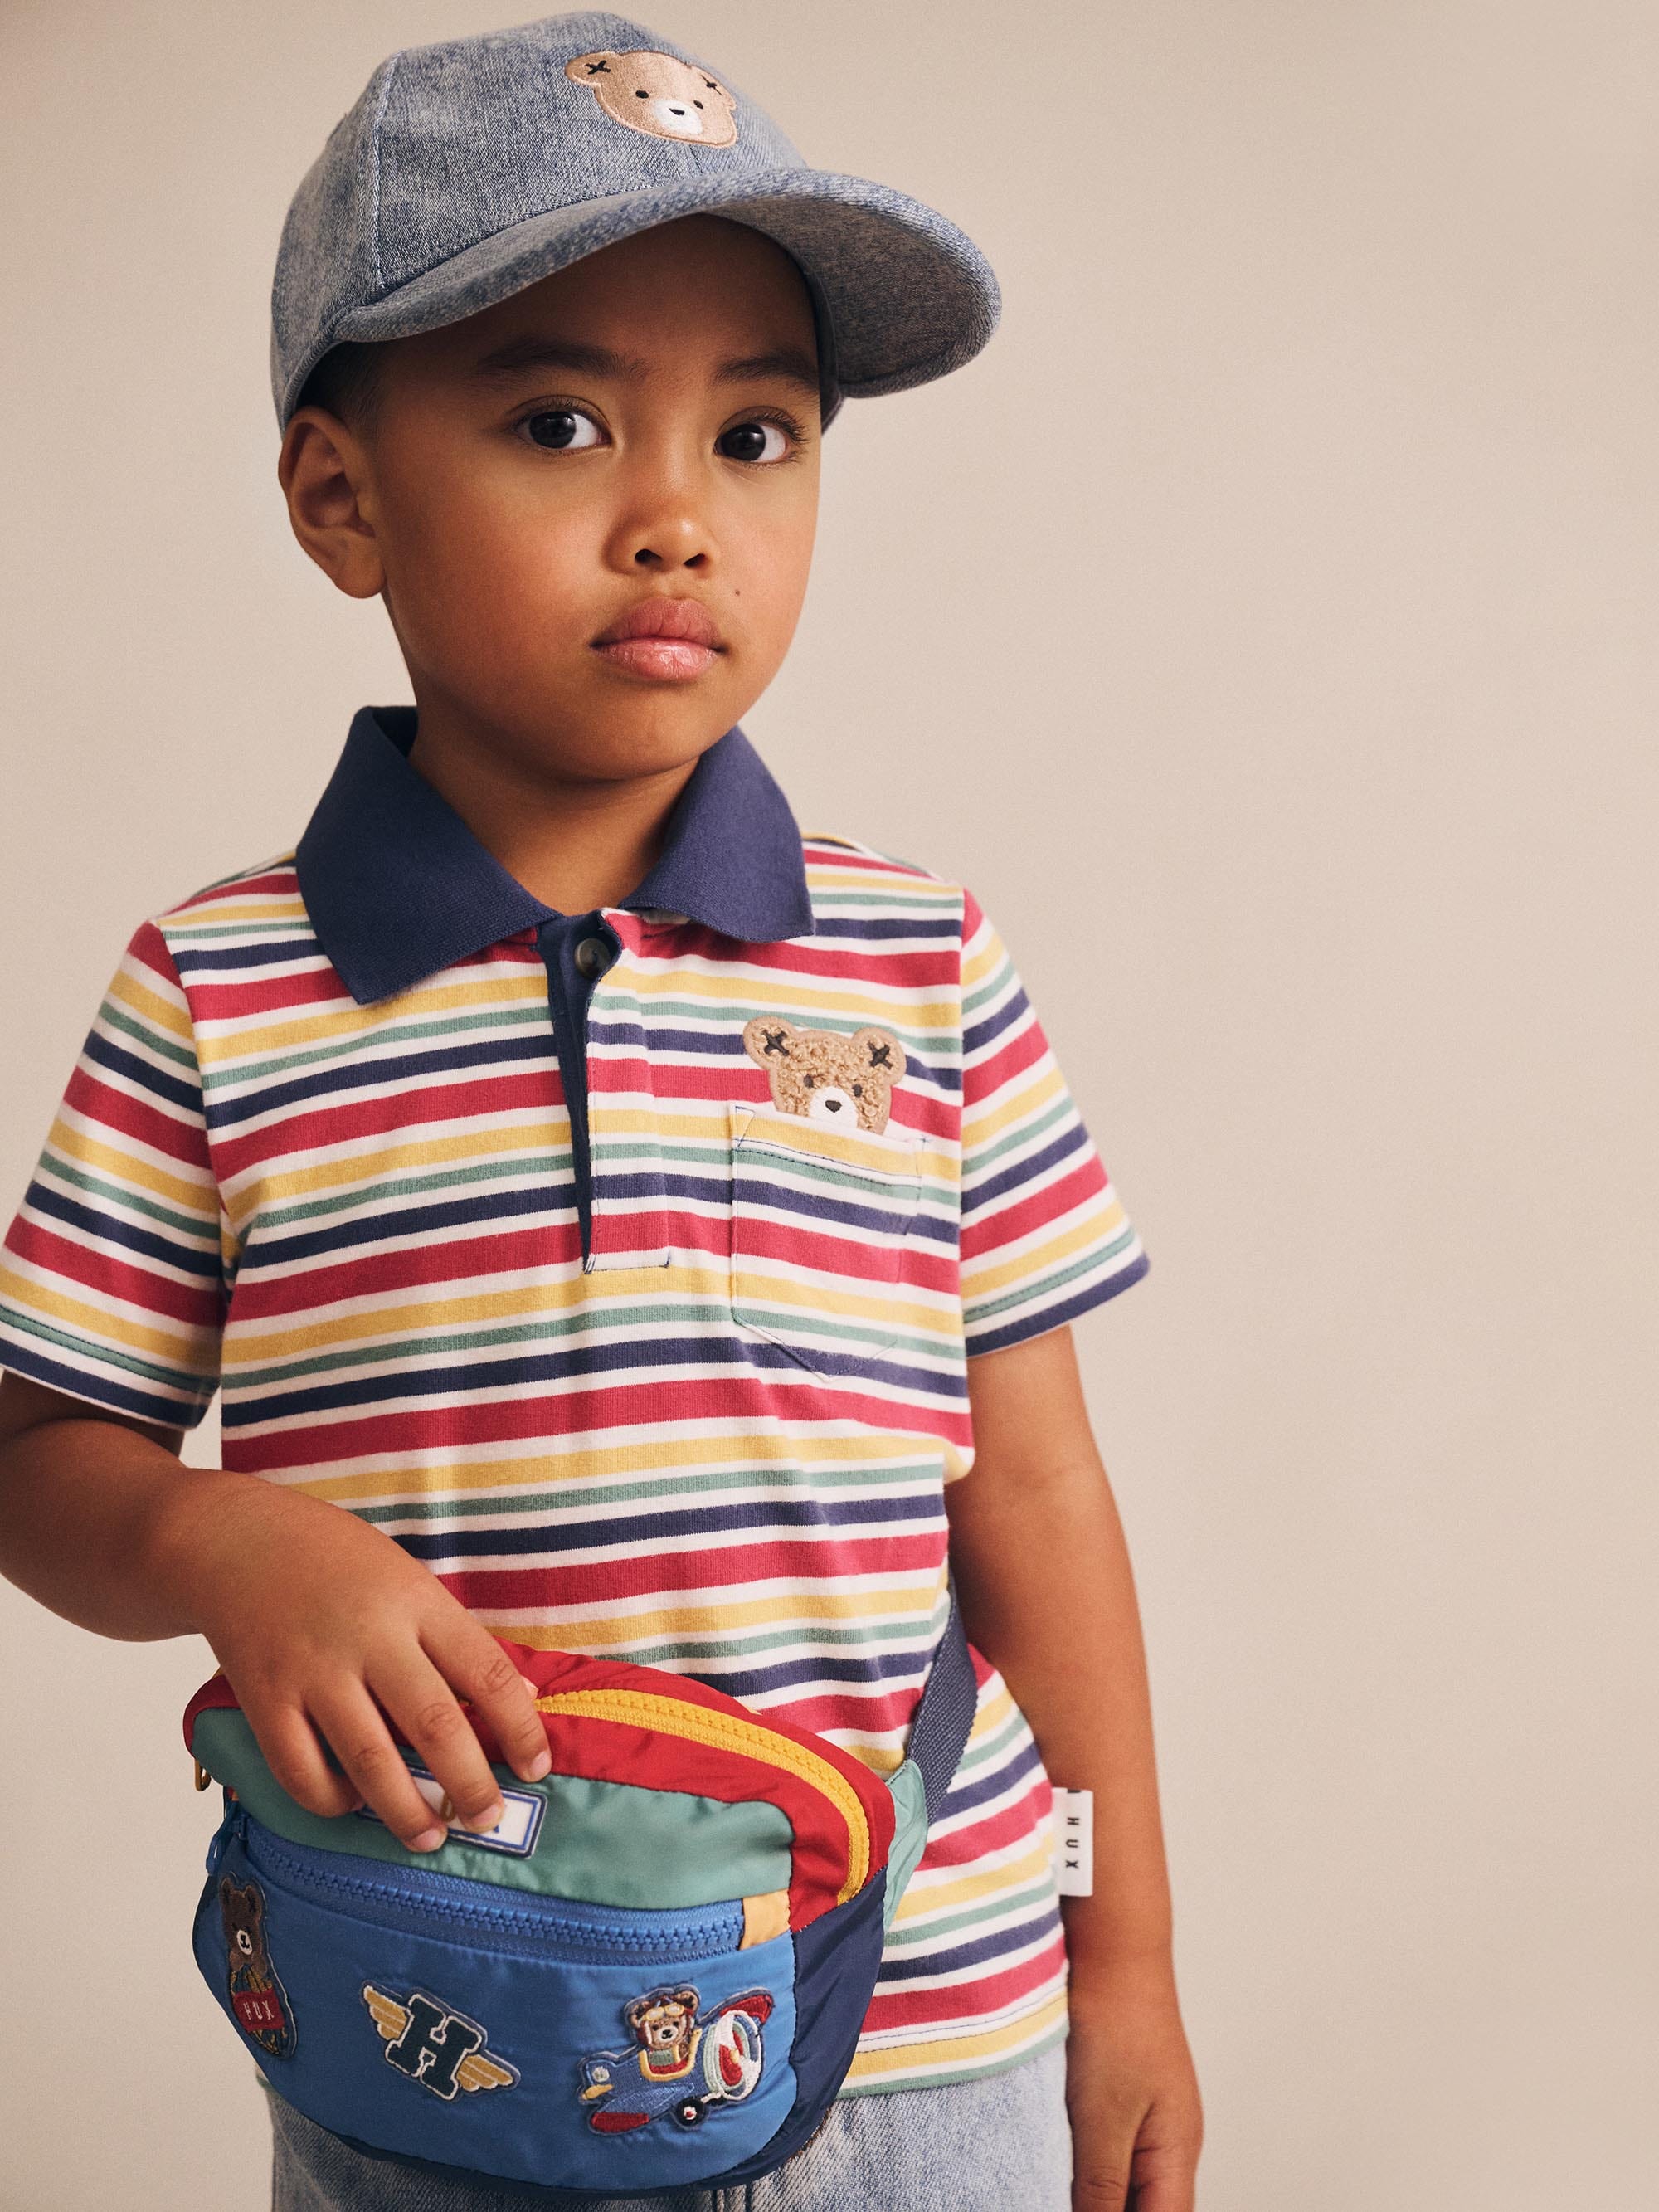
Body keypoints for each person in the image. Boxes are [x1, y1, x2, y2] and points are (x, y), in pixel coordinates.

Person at [0, 14, 1202, 2210]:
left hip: (922, 2037)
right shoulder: (216, 994)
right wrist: (211, 1537)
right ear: (342, 496)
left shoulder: (926, 964)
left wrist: (1123, 1956)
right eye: (559, 422)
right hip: (431, 2041)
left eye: (758, 434)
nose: (677, 520)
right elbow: (37, 1457)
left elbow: (1037, 1500)